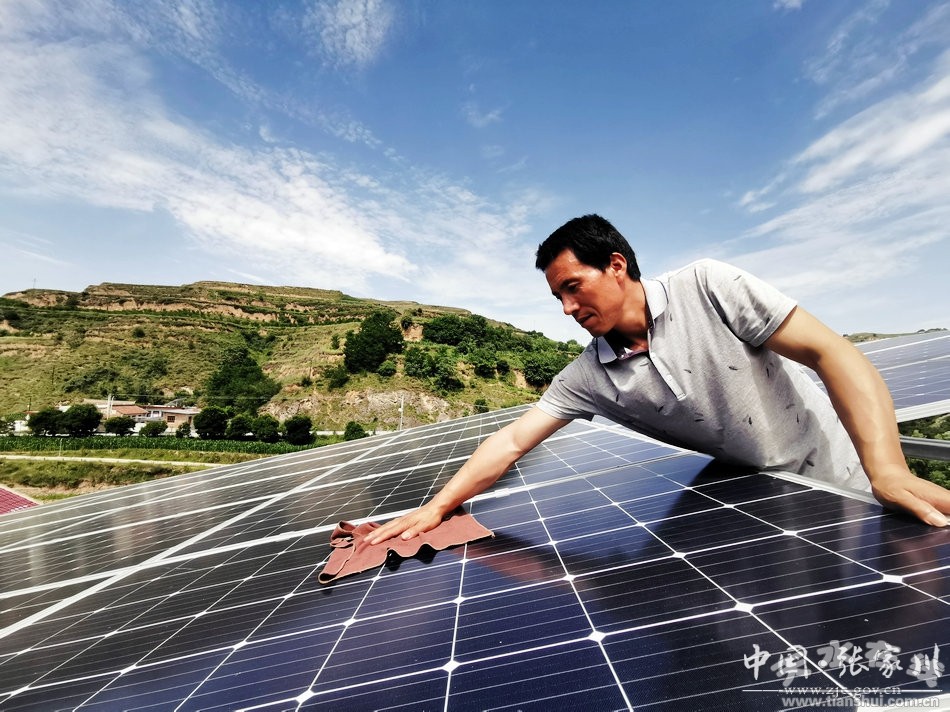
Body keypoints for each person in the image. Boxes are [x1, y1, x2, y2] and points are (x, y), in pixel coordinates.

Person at [368, 214, 950, 545]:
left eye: (573, 287)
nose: (567, 309)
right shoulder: (589, 375)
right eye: (557, 297)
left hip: (845, 477)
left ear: (616, 265)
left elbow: (833, 354)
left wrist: (887, 468)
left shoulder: (710, 286)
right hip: (763, 499)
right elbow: (512, 441)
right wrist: (438, 507)